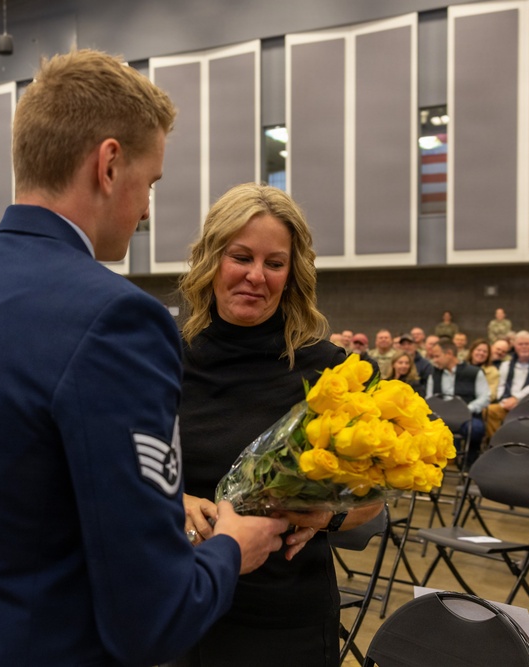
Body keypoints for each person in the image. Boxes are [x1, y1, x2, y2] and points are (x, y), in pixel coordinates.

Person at [0, 50, 287, 667]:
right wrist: (232, 547)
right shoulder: (116, 319)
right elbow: (153, 615)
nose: (147, 209)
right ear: (108, 165)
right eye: (150, 183)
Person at [175, 183, 381, 667]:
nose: (255, 276)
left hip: (283, 619)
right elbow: (122, 470)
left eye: (274, 263)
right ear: (211, 261)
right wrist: (174, 501)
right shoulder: (164, 358)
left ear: (291, 275)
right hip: (181, 599)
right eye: (240, 257)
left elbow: (372, 498)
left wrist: (322, 516)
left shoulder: (332, 372)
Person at [426, 339, 489, 465]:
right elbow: (429, 398)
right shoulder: (434, 374)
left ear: (449, 354)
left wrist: (466, 409)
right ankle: (433, 464)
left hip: (466, 417)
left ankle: (468, 462)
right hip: (440, 417)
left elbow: (485, 397)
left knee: (476, 429)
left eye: (437, 356)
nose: (435, 360)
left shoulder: (474, 372)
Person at [484, 331, 529, 439]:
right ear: (515, 347)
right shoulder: (506, 365)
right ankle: (498, 442)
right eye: (520, 344)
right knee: (489, 411)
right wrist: (505, 401)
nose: (524, 347)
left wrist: (517, 399)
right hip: (507, 405)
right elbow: (501, 386)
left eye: (527, 344)